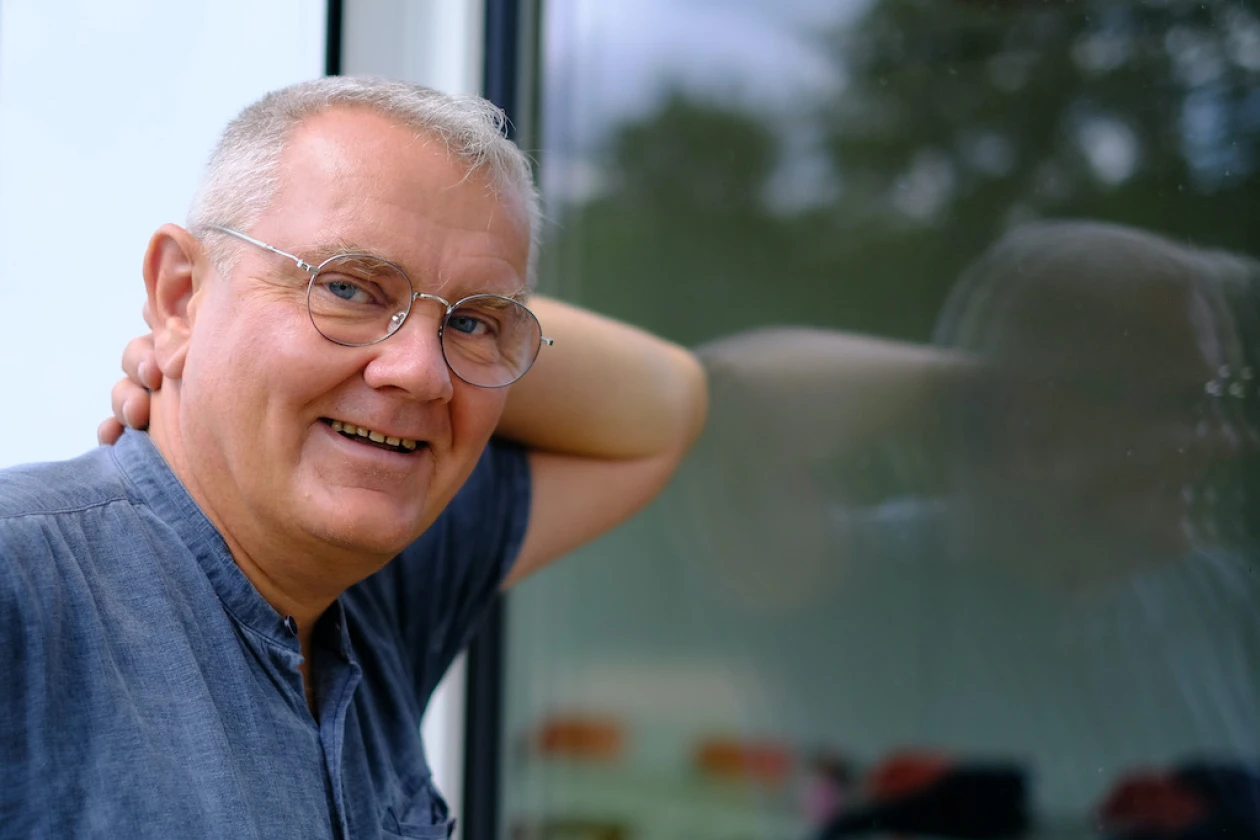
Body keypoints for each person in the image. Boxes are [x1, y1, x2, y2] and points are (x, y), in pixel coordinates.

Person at [0, 77, 707, 839]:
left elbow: (665, 404)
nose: (421, 372)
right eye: (348, 286)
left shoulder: (372, 596)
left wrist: (460, 308)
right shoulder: (24, 588)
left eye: (472, 325)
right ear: (179, 293)